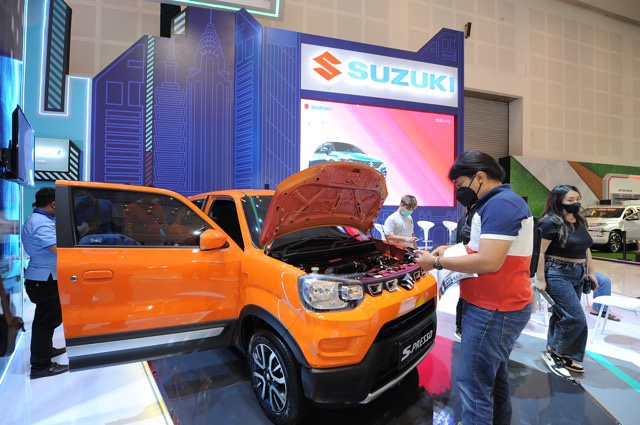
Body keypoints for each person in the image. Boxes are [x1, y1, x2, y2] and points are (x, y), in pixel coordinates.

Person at [415, 151, 534, 425]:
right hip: (494, 306)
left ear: (480, 176)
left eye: (460, 184)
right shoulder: (495, 202)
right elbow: (484, 247)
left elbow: (489, 261)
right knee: (493, 378)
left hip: (494, 309)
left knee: (474, 386)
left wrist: (436, 262)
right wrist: (451, 249)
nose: (458, 191)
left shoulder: (502, 205)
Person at [536, 185, 593, 378]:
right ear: (558, 200)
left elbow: (586, 248)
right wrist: (541, 279)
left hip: (578, 273)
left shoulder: (580, 220)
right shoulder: (549, 223)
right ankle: (555, 353)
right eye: (571, 200)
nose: (576, 203)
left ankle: (562, 354)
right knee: (575, 318)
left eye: (578, 199)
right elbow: (540, 252)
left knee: (562, 315)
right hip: (556, 272)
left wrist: (590, 271)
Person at [21, 187, 68, 379]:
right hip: (43, 280)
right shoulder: (40, 222)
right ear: (54, 204)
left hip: (44, 278)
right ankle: (41, 365)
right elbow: (59, 250)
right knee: (45, 322)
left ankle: (45, 351)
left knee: (47, 320)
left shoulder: (42, 220)